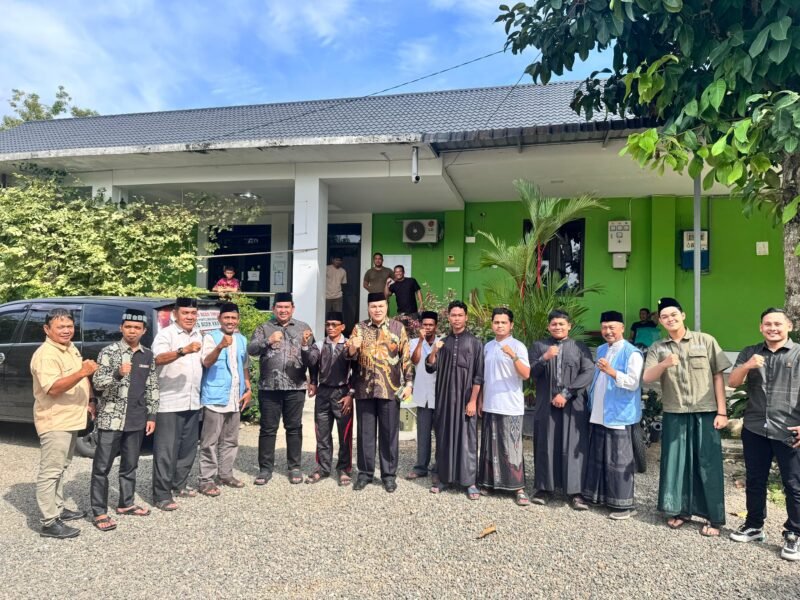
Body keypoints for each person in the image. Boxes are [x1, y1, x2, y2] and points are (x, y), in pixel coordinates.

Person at [643, 297, 730, 536]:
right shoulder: (658, 347)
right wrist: (664, 364)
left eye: (673, 314)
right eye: (664, 316)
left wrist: (722, 411)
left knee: (708, 463)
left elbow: (718, 377)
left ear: (683, 315)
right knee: (675, 462)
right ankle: (679, 510)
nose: (670, 319)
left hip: (706, 411)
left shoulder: (705, 340)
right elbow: (647, 377)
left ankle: (713, 516)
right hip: (675, 411)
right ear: (660, 321)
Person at [727, 307, 800, 561]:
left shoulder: (798, 353)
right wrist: (748, 365)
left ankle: (794, 533)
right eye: (768, 324)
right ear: (761, 328)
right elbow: (733, 382)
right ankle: (754, 525)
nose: (773, 328)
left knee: (794, 484)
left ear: (789, 326)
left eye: (778, 324)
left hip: (789, 430)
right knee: (755, 480)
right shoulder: (750, 352)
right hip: (755, 427)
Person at [30, 308, 98, 539]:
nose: (66, 330)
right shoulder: (46, 354)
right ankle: (49, 522)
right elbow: (53, 388)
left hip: (71, 417)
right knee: (50, 471)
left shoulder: (69, 347)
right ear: (47, 329)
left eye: (69, 326)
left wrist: (90, 400)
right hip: (55, 419)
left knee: (61, 466)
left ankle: (57, 508)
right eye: (60, 327)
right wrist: (82, 372)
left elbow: (82, 378)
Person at [90, 308, 159, 531]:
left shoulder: (147, 355)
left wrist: (152, 415)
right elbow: (98, 383)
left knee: (130, 465)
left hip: (137, 419)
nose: (132, 331)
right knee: (102, 467)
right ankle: (99, 512)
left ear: (144, 330)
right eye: (128, 327)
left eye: (137, 328)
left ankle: (126, 503)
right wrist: (117, 374)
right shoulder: (109, 352)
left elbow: (152, 386)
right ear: (121, 328)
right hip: (112, 418)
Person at [528, 309, 594, 509]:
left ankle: (575, 492)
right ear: (548, 326)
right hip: (545, 403)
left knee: (574, 445)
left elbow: (588, 372)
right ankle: (544, 488)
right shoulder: (539, 346)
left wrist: (566, 394)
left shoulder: (579, 347)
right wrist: (544, 358)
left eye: (561, 324)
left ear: (569, 326)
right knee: (545, 443)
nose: (557, 327)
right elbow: (531, 373)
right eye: (554, 324)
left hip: (573, 403)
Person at [348, 292, 413, 492]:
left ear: (386, 307)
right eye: (373, 306)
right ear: (368, 308)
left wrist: (409, 383)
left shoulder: (397, 328)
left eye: (381, 306)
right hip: (364, 389)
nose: (377, 310)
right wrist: (352, 349)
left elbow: (406, 358)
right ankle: (365, 474)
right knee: (365, 434)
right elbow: (348, 358)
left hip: (390, 390)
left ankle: (389, 475)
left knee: (389, 434)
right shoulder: (359, 328)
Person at [247, 292, 314, 485]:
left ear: (293, 308)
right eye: (279, 307)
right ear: (273, 308)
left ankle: (294, 467)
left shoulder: (303, 328)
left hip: (296, 386)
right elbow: (251, 350)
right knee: (268, 429)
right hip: (269, 387)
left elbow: (312, 357)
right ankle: (265, 468)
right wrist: (268, 341)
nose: (283, 310)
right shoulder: (264, 328)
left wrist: (313, 380)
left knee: (294, 428)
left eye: (286, 307)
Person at [582, 311, 643, 520]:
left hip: (619, 413)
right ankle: (598, 497)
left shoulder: (632, 353)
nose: (608, 331)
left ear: (622, 328)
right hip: (599, 411)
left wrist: (611, 371)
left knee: (619, 460)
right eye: (604, 327)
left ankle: (624, 505)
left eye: (612, 327)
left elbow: (633, 383)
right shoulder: (601, 349)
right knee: (598, 457)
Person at [426, 300, 484, 500]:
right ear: (448, 317)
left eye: (460, 315)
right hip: (444, 399)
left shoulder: (475, 343)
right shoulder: (443, 342)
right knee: (444, 437)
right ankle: (444, 478)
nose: (457, 319)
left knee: (467, 439)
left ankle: (469, 482)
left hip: (466, 399)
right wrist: (434, 350)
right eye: (453, 315)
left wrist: (473, 401)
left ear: (466, 317)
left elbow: (479, 375)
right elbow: (430, 367)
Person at [151, 297, 204, 512]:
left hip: (192, 400)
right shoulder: (166, 334)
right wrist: (183, 350)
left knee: (188, 448)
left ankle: (179, 484)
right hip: (170, 401)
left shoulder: (199, 334)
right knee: (166, 450)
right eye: (185, 313)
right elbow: (158, 358)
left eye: (193, 313)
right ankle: (161, 494)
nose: (190, 317)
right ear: (175, 314)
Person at [477, 308, 531, 505]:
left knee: (512, 447)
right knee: (490, 446)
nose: (499, 325)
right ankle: (489, 483)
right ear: (492, 324)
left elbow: (526, 374)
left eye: (503, 322)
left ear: (511, 325)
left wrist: (513, 356)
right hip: (490, 403)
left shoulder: (518, 346)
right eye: (496, 322)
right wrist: (480, 399)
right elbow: (482, 376)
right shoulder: (487, 346)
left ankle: (518, 488)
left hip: (510, 405)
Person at [197, 302, 252, 497]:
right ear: (219, 319)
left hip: (235, 397)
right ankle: (206, 479)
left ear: (238, 320)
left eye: (233, 318)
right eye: (226, 317)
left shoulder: (242, 339)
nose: (230, 321)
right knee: (209, 442)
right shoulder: (210, 337)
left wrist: (248, 388)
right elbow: (206, 362)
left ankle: (226, 474)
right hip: (215, 397)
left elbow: (244, 366)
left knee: (230, 440)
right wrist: (220, 346)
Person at [305, 311, 354, 486]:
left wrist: (351, 394)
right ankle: (323, 468)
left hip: (342, 393)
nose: (331, 328)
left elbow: (357, 370)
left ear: (342, 327)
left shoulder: (349, 345)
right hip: (323, 393)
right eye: (328, 325)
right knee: (322, 433)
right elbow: (311, 363)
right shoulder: (319, 345)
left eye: (334, 325)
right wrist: (313, 381)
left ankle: (344, 468)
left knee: (344, 434)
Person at [405, 311, 441, 481]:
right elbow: (414, 360)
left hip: (439, 395)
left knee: (441, 434)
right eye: (425, 325)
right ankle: (421, 467)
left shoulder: (442, 342)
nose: (427, 328)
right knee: (423, 434)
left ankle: (439, 468)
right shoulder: (413, 342)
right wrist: (420, 341)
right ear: (420, 326)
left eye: (430, 325)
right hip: (422, 395)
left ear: (436, 326)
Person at [384, 265, 423, 337]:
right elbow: (386, 295)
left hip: (413, 312)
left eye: (400, 271)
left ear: (403, 272)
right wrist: (387, 284)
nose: (398, 273)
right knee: (403, 333)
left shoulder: (411, 281)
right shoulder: (393, 285)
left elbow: (418, 291)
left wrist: (421, 304)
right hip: (401, 313)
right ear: (394, 273)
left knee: (415, 333)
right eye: (396, 272)